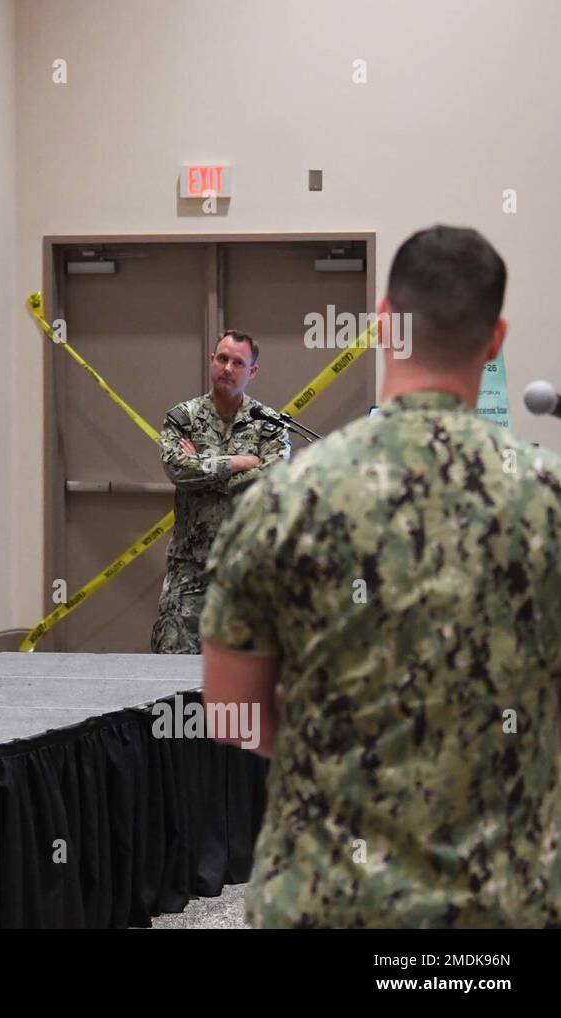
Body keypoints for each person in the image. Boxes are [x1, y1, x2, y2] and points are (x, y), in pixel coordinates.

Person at [201, 225, 561, 927]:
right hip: (507, 904)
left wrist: (343, 747)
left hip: (329, 898)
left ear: (384, 325)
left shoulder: (286, 498)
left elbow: (233, 709)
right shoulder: (546, 499)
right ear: (496, 340)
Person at [151, 330, 290, 654]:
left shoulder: (269, 424)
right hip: (190, 569)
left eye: (238, 362)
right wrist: (240, 462)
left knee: (250, 676)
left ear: (251, 371)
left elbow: (275, 480)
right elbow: (176, 468)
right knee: (171, 672)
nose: (228, 368)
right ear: (211, 361)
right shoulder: (183, 417)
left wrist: (203, 467)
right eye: (222, 359)